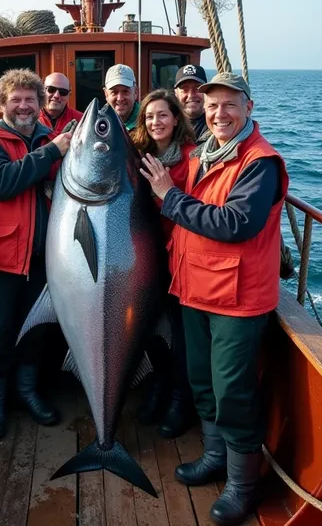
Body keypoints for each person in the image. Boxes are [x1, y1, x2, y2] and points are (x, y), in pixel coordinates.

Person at [140, 72, 288, 526]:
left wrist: (170, 198)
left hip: (238, 298)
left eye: (228, 105)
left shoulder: (260, 162)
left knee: (233, 392)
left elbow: (235, 223)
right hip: (195, 288)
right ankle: (213, 455)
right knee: (202, 379)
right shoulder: (204, 154)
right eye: (211, 106)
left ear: (248, 107)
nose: (218, 114)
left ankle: (243, 484)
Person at [0, 68, 72, 440]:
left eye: (31, 99)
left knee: (36, 332)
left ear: (40, 103)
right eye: (16, 99)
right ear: (3, 104)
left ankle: (28, 391)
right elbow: (0, 184)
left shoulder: (51, 138)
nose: (24, 105)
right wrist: (52, 152)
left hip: (44, 260)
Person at [132, 90, 196, 437]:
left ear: (176, 118)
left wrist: (166, 190)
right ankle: (155, 389)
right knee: (153, 331)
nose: (156, 122)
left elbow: (196, 209)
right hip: (144, 263)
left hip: (181, 262)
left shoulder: (191, 157)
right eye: (150, 116)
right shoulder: (137, 157)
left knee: (181, 337)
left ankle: (179, 399)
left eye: (162, 115)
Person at [174, 64, 209, 140]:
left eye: (197, 88)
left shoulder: (217, 126)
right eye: (184, 90)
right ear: (176, 93)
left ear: (206, 91)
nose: (191, 95)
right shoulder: (168, 128)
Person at [103, 64, 139, 131]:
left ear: (135, 92)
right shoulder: (97, 123)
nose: (120, 98)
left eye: (125, 91)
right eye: (114, 92)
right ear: (106, 94)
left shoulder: (147, 123)